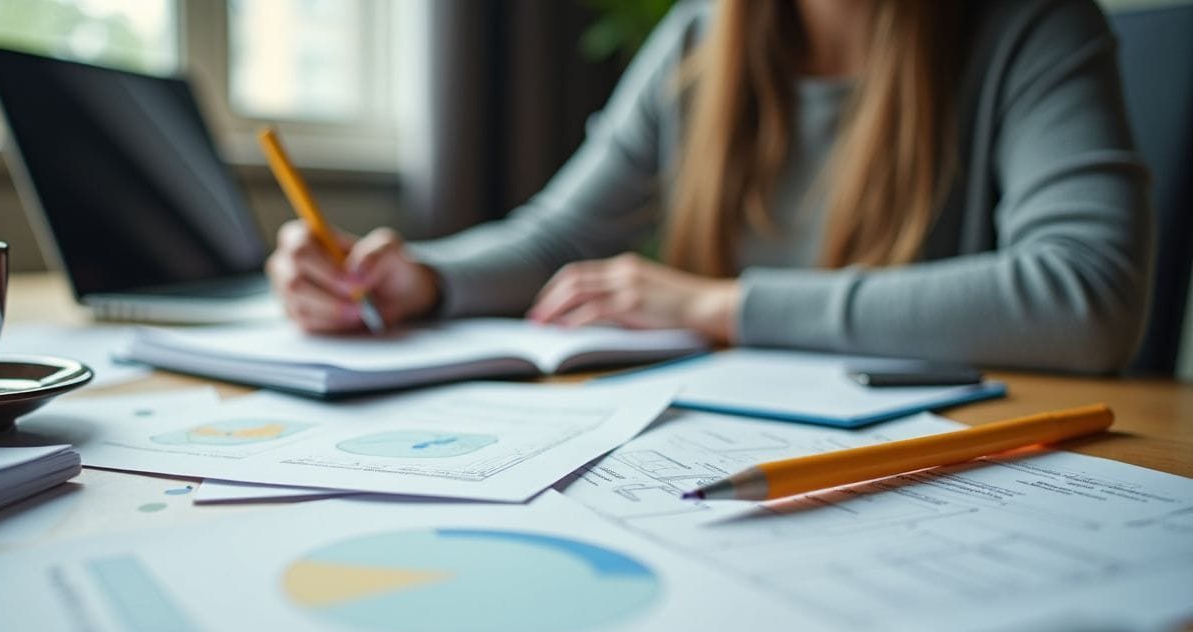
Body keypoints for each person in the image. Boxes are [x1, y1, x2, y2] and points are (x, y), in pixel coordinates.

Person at [265, 0, 1152, 374]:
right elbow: (561, 239)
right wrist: (422, 279)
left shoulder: (1031, 27)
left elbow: (1084, 297)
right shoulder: (704, 36)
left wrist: (718, 306)